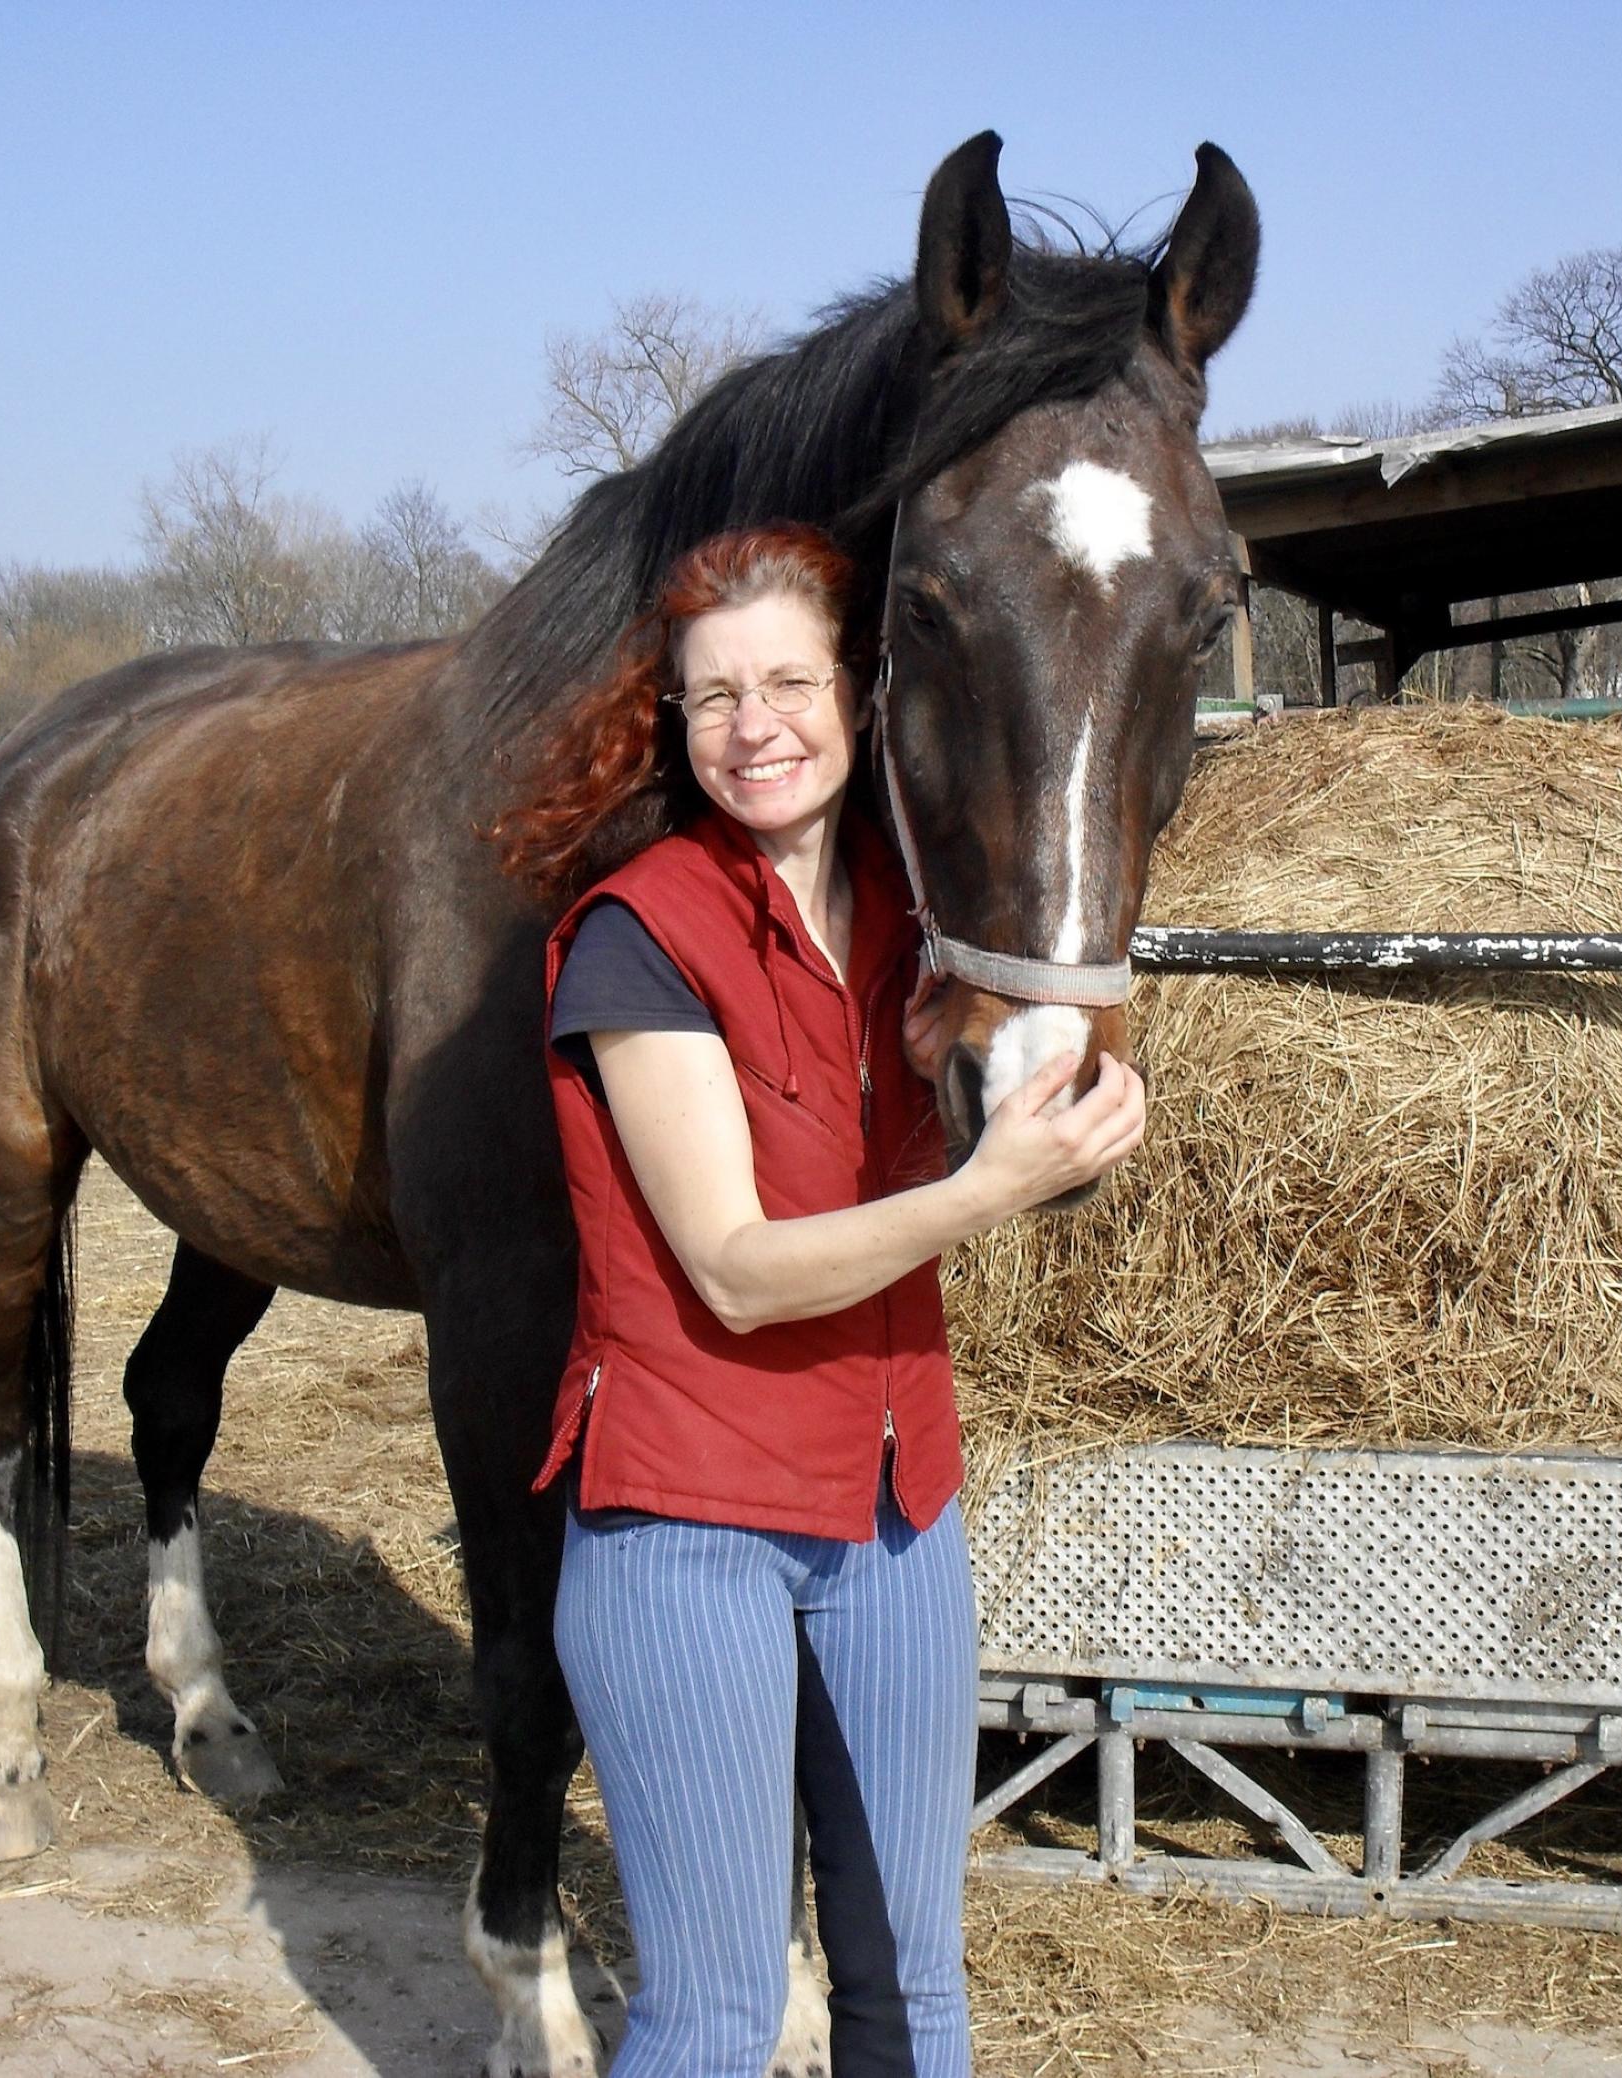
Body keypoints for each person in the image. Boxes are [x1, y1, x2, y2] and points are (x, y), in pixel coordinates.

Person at [491, 522, 1145, 2076]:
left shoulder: (919, 920)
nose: (757, 725)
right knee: (715, 2011)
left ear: (858, 697)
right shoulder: (641, 933)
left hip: (893, 1508)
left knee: (914, 1991)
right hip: (686, 1521)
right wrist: (985, 1185)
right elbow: (732, 1261)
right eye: (716, 697)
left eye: (789, 680)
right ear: (676, 722)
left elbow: (1064, 1051)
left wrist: (1016, 1080)